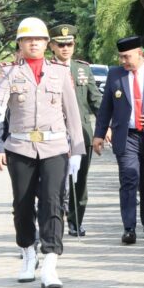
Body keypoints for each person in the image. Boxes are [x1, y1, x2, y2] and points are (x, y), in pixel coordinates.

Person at [0, 17, 85, 288]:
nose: (34, 43)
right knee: (22, 205)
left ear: (47, 43)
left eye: (39, 39)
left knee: (52, 203)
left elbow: (72, 114)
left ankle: (51, 262)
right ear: (20, 44)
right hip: (20, 147)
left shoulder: (59, 72)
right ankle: (28, 252)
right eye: (28, 39)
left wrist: (77, 150)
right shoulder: (9, 72)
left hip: (55, 147)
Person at [92, 36, 144, 244]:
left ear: (140, 53)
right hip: (127, 136)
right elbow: (106, 106)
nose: (124, 61)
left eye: (127, 56)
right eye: (121, 57)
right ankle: (129, 228)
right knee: (128, 180)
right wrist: (99, 134)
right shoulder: (115, 75)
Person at [48, 24, 103, 237]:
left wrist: (105, 127)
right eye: (60, 45)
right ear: (52, 46)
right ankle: (54, 219)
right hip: (54, 134)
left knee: (79, 181)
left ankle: (76, 220)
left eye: (69, 44)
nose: (65, 48)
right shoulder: (46, 68)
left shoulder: (82, 69)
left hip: (81, 134)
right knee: (55, 180)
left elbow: (95, 100)